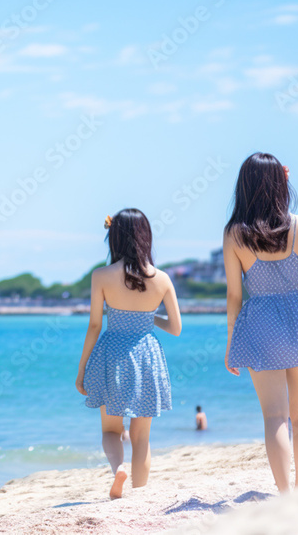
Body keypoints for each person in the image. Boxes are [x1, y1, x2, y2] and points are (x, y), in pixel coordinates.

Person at [223, 153, 298, 492]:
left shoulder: (235, 234)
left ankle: (285, 494)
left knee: (274, 416)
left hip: (260, 324)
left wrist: (232, 343)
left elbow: (234, 297)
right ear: (281, 183)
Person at [76, 209, 182, 499]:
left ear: (115, 237)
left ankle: (117, 468)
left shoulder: (102, 275)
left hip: (111, 355)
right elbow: (175, 328)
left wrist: (82, 368)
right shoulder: (162, 278)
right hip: (147, 356)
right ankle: (140, 493)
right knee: (142, 437)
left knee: (111, 430)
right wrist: (148, 318)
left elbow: (95, 325)